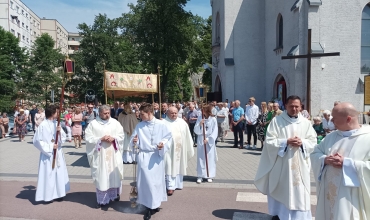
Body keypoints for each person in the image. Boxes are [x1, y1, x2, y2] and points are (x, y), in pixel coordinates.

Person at [254, 95, 317, 220]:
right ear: (286, 106)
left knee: (299, 190)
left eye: (296, 106)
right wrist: (285, 142)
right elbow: (270, 141)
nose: (294, 109)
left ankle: (300, 217)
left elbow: (313, 141)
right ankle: (279, 214)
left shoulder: (306, 123)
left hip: (300, 164)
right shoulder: (277, 121)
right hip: (282, 164)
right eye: (291, 106)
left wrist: (302, 143)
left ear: (300, 107)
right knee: (281, 188)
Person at [311, 102, 370, 220]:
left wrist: (347, 164)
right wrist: (325, 159)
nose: (331, 121)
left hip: (351, 197)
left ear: (348, 119)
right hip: (329, 194)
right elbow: (315, 153)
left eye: (334, 118)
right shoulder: (331, 136)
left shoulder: (367, 138)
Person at [130, 103, 172, 220]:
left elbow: (168, 137)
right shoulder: (139, 126)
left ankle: (155, 203)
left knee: (156, 182)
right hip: (144, 156)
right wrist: (134, 141)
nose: (140, 116)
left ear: (149, 113)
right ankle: (148, 206)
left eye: (142, 114)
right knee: (146, 182)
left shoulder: (161, 124)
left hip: (156, 156)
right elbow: (134, 140)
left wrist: (162, 144)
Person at [85, 105, 124, 208]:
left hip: (113, 154)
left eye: (108, 113)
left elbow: (121, 136)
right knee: (102, 175)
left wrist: (114, 138)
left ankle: (114, 195)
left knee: (113, 174)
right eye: (105, 113)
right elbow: (88, 138)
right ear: (100, 113)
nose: (107, 115)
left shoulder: (115, 123)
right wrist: (100, 139)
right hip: (100, 154)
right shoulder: (93, 124)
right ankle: (102, 199)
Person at [33, 105, 69, 202]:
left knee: (58, 173)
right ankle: (49, 195)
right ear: (53, 113)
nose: (58, 114)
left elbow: (63, 138)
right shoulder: (43, 125)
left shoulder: (56, 124)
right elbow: (36, 141)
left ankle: (59, 193)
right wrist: (50, 147)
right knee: (49, 174)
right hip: (48, 154)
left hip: (58, 153)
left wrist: (59, 132)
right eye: (57, 112)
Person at [163, 107, 194, 196]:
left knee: (179, 166)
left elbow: (188, 136)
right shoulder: (163, 123)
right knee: (169, 167)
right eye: (172, 113)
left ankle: (178, 184)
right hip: (168, 151)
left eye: (176, 113)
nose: (174, 115)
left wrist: (189, 146)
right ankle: (170, 187)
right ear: (167, 113)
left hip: (180, 150)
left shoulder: (182, 122)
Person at [194, 104, 218, 184]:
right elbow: (196, 130)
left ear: (207, 110)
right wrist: (200, 124)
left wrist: (208, 139)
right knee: (201, 158)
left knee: (209, 158)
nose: (202, 112)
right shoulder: (200, 118)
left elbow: (215, 131)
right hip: (201, 139)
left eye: (203, 110)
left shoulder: (213, 119)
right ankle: (200, 175)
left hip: (209, 140)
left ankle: (209, 175)